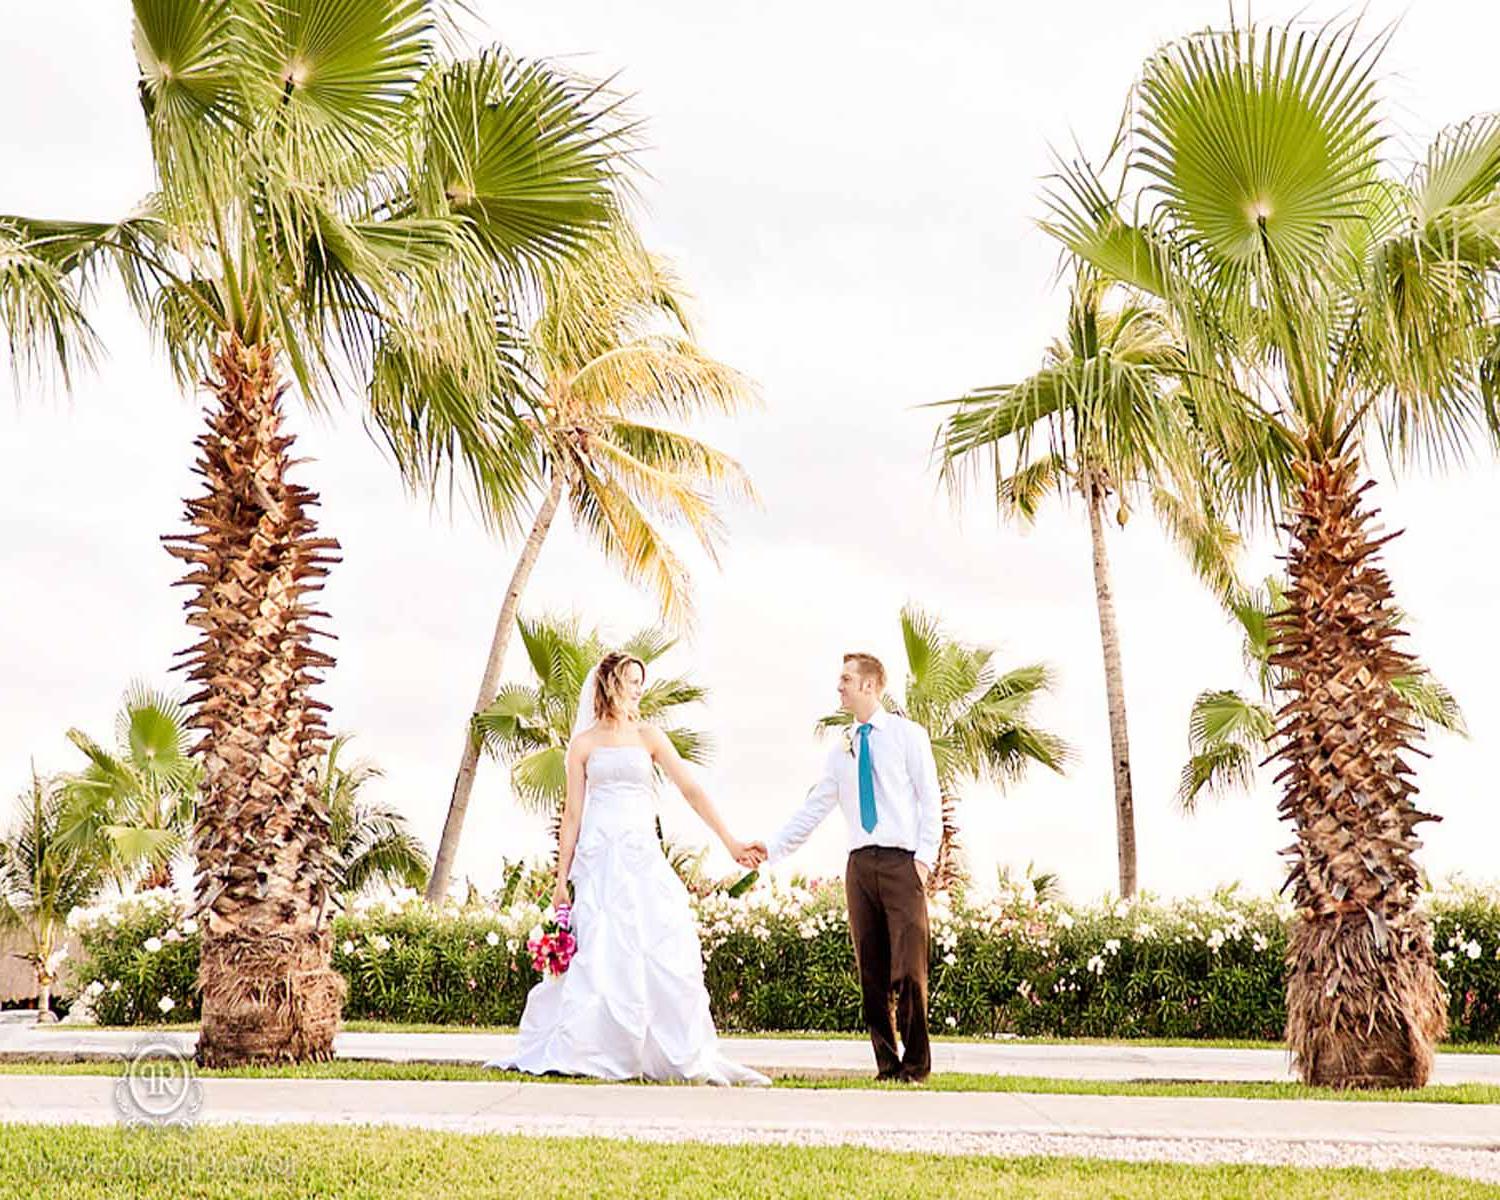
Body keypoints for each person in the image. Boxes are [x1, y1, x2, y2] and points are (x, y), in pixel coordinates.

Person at [485, 651, 768, 1086]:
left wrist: (730, 841)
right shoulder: (582, 745)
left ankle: (657, 1048)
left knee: (657, 942)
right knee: (601, 948)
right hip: (599, 855)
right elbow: (573, 816)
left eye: (641, 681)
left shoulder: (650, 736)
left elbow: (690, 788)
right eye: (631, 681)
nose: (638, 689)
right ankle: (595, 1046)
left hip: (640, 853)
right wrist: (560, 880)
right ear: (609, 685)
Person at [741, 652, 940, 1082]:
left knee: (908, 971)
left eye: (846, 679)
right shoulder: (841, 749)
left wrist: (922, 862)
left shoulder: (909, 737)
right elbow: (813, 810)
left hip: (902, 863)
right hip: (859, 867)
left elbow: (931, 801)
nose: (840, 687)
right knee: (871, 973)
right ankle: (887, 1067)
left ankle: (917, 1067)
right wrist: (771, 848)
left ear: (869, 685)